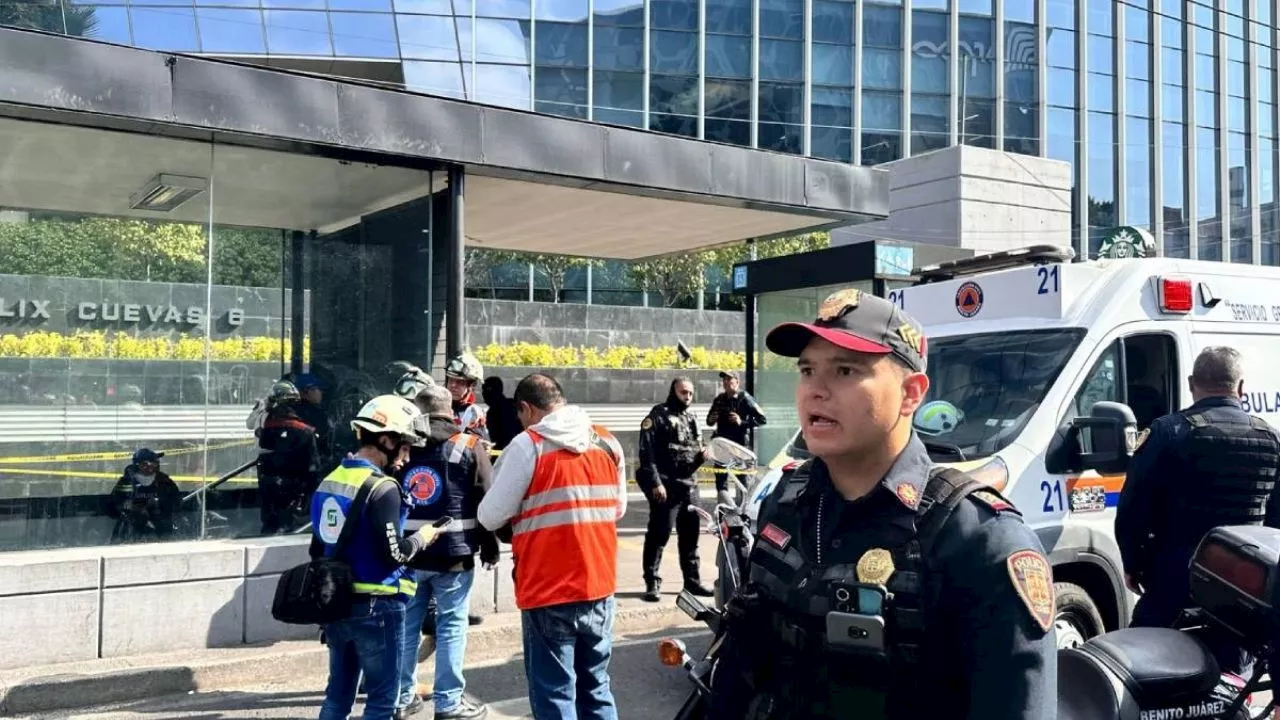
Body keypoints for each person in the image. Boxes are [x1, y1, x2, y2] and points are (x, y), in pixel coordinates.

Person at [707, 288, 1056, 720]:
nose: (815, 390)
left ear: (911, 394)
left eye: (846, 371)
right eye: (807, 369)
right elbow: (742, 670)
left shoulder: (980, 540)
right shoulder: (785, 501)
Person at [1116, 346, 1280, 672]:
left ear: (1192, 383)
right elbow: (1276, 524)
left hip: (1176, 575)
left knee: (1146, 664)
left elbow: (1133, 509)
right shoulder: (1271, 438)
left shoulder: (1168, 432)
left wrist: (1134, 564)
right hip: (1244, 585)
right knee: (1233, 675)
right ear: (1241, 387)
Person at [477, 374, 627, 720]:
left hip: (548, 591)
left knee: (555, 695)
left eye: (519, 414)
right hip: (599, 587)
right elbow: (617, 509)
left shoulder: (528, 445)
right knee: (597, 688)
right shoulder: (607, 442)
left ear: (526, 408)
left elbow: (490, 516)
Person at [311, 394, 443, 720]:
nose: (407, 455)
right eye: (405, 445)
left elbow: (317, 548)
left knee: (337, 697)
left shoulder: (330, 481)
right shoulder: (383, 488)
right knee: (383, 702)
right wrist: (423, 537)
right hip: (378, 607)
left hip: (338, 604)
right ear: (386, 440)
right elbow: (393, 555)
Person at [395, 383, 497, 720]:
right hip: (454, 555)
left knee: (407, 625)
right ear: (450, 409)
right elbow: (487, 499)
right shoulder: (468, 445)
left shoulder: (403, 445)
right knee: (452, 625)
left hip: (409, 555)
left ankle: (401, 697)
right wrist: (489, 545)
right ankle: (449, 703)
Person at [636, 377, 713, 603]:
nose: (687, 397)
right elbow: (646, 453)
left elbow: (691, 451)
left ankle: (692, 581)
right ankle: (652, 581)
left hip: (689, 485)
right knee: (659, 534)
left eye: (690, 393)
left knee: (691, 536)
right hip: (666, 486)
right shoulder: (657, 415)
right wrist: (656, 483)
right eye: (683, 392)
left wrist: (702, 457)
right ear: (673, 391)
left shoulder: (692, 416)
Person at [256, 380, 321, 535]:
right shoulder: (305, 431)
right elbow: (313, 468)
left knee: (270, 527)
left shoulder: (268, 430)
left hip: (272, 491)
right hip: (293, 493)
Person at [705, 370, 767, 503]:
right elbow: (709, 422)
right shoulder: (719, 399)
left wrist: (742, 422)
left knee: (742, 481)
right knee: (721, 481)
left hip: (739, 446)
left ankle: (742, 512)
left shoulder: (745, 398)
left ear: (737, 382)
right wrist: (712, 418)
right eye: (724, 380)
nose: (726, 382)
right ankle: (723, 512)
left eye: (729, 379)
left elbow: (762, 419)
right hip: (722, 446)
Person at [106, 448, 181, 542]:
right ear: (139, 465)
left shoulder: (164, 481)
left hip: (161, 532)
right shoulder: (127, 482)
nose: (152, 466)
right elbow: (112, 506)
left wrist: (159, 504)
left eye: (155, 462)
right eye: (147, 463)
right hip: (130, 533)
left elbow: (176, 502)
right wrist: (132, 508)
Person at [445, 353, 490, 443]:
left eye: (459, 382)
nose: (453, 385)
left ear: (472, 385)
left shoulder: (475, 414)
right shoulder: (436, 406)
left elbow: (474, 446)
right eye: (450, 380)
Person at [481, 377, 521, 451]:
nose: (483, 394)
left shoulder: (494, 412)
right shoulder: (511, 404)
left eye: (487, 390)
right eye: (483, 390)